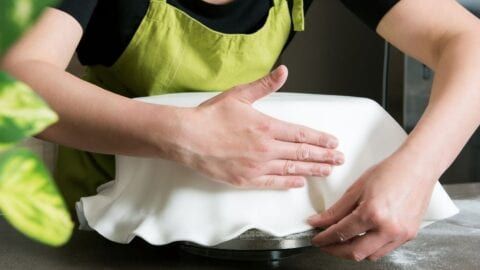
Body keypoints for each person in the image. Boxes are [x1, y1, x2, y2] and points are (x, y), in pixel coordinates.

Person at [1, 0, 479, 262]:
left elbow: (468, 39)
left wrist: (418, 170)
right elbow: (15, 78)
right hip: (105, 232)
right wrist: (181, 135)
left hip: (263, 234)